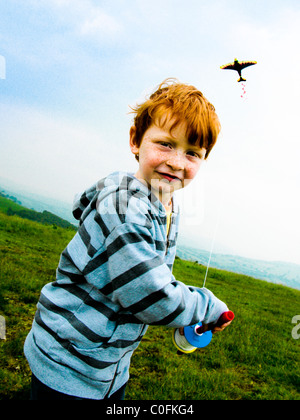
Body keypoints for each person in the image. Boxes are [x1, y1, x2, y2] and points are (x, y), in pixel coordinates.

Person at [24, 78, 232, 400]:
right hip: (69, 363)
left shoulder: (165, 204)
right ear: (136, 140)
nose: (176, 162)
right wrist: (204, 307)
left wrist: (183, 314)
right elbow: (150, 294)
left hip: (108, 365)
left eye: (192, 153)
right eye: (165, 144)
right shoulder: (124, 208)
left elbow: (154, 276)